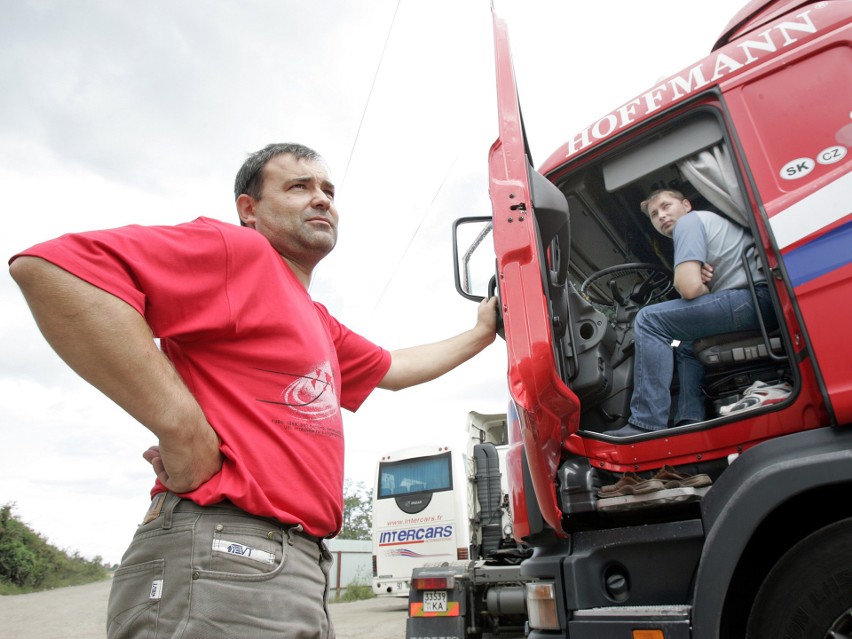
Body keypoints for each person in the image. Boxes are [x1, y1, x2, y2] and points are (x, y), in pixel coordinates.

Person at [9, 142, 498, 639]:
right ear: (249, 209)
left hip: (293, 562)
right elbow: (54, 268)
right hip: (227, 548)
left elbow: (395, 367)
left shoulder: (317, 321)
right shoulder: (240, 253)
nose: (323, 199)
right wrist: (183, 430)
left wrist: (481, 333)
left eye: (328, 190)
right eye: (299, 187)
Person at [607, 188, 776, 437]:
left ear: (686, 205)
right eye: (654, 214)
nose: (661, 216)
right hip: (762, 303)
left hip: (754, 299)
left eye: (666, 206)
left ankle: (644, 423)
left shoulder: (689, 222)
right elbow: (694, 287)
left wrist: (698, 284)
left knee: (649, 319)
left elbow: (687, 287)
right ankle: (689, 418)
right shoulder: (701, 225)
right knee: (686, 344)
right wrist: (699, 284)